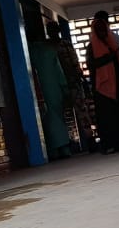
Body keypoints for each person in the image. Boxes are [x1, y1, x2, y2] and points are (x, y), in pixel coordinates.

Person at [86, 12, 119, 154]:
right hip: (102, 88)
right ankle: (111, 144)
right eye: (100, 30)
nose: (103, 32)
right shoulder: (92, 47)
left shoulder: (112, 43)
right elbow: (92, 64)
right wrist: (108, 57)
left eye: (104, 29)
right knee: (107, 117)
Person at [46, 21, 94, 152]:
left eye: (53, 30)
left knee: (82, 112)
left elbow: (75, 62)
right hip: (57, 85)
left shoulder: (61, 45)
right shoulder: (48, 46)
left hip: (70, 82)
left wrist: (79, 77)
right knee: (59, 115)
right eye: (51, 30)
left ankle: (90, 141)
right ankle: (66, 146)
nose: (52, 33)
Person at [27, 34, 72, 160]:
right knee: (58, 117)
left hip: (37, 91)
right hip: (54, 90)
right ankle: (64, 148)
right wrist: (65, 88)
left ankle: (52, 151)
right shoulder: (50, 51)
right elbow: (59, 73)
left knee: (45, 120)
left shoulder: (29, 51)